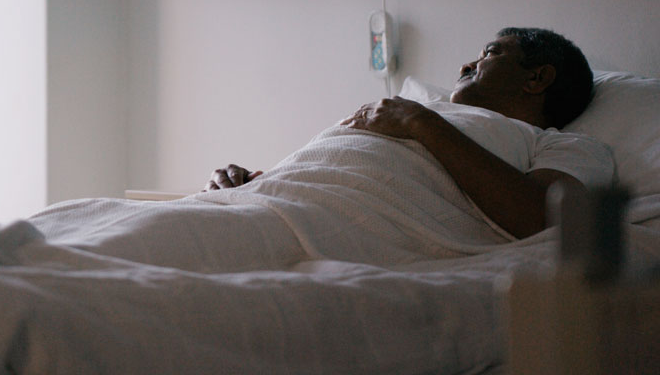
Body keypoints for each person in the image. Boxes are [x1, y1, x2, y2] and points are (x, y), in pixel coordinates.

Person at [204, 27, 611, 239]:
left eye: (490, 53)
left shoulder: (563, 144)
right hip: (259, 205)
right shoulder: (420, 112)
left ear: (537, 78)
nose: (466, 65)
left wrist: (419, 123)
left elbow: (542, 219)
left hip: (323, 227)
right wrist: (248, 183)